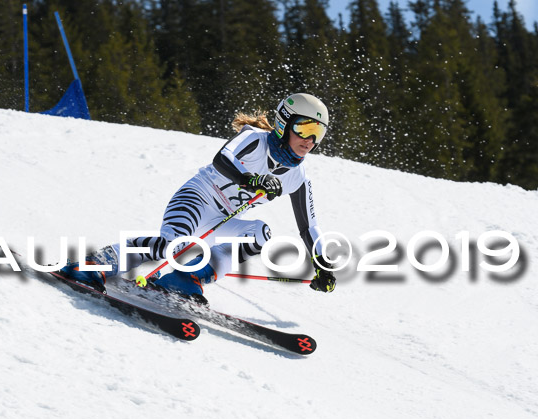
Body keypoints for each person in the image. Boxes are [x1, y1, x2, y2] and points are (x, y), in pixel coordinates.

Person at [61, 92, 337, 297]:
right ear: (284, 124)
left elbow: (309, 227)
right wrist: (252, 180)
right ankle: (93, 263)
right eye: (305, 129)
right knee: (173, 245)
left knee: (260, 234)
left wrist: (322, 266)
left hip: (221, 220)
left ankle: (185, 279)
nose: (310, 141)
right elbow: (223, 159)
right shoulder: (253, 138)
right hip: (197, 198)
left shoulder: (297, 178)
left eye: (318, 133)